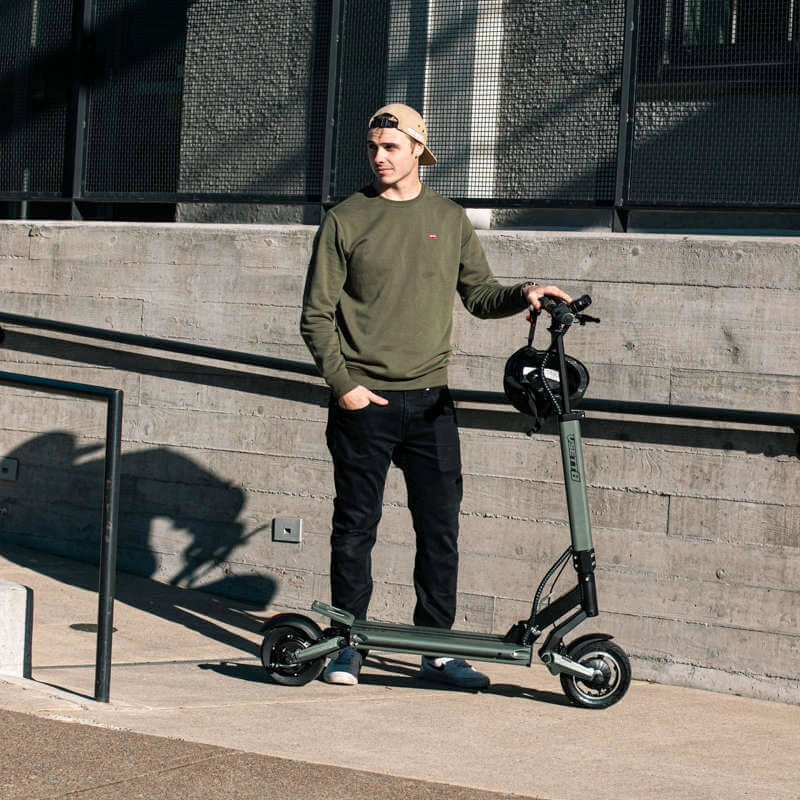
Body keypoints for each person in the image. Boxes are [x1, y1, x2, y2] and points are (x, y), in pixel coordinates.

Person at [300, 103, 571, 689]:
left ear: (419, 150)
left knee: (440, 530)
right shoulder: (345, 219)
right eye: (372, 147)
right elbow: (316, 317)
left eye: (390, 148)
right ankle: (349, 645)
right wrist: (344, 387)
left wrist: (525, 291)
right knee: (355, 530)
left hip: (431, 404)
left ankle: (437, 648)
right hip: (363, 404)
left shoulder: (448, 219)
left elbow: (478, 295)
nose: (378, 157)